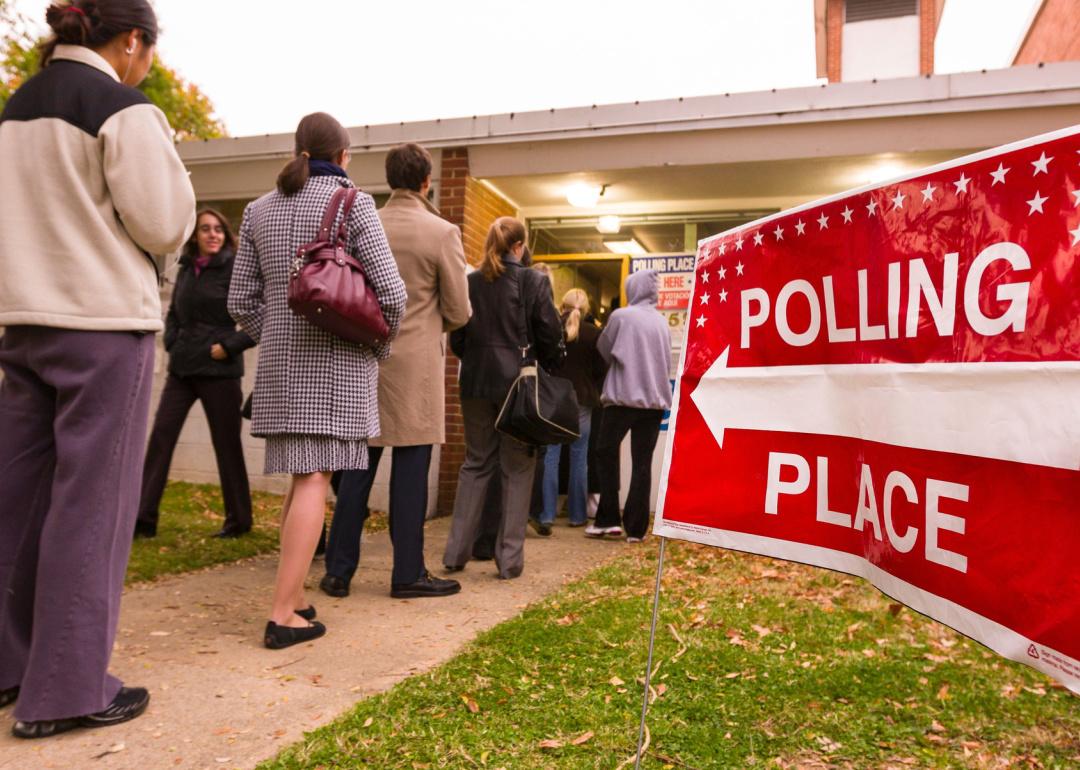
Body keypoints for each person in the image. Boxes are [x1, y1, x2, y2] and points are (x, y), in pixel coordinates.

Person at [0, 0, 195, 738]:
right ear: (132, 41)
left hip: (22, 321)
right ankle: (66, 689)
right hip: (103, 325)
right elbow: (163, 221)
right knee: (93, 508)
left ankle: (7, 665)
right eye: (149, 50)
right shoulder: (123, 107)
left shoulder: (16, 109)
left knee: (13, 505)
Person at [228, 112, 406, 649]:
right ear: (344, 155)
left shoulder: (258, 210)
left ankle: (295, 592)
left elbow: (240, 301)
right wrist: (377, 344)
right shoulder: (355, 204)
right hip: (335, 367)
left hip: (281, 371)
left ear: (299, 149)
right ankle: (283, 614)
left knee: (300, 478)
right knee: (314, 480)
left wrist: (279, 334)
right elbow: (392, 295)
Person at [320, 143, 471, 600]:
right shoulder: (442, 232)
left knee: (356, 471)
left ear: (389, 178)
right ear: (427, 181)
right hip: (417, 368)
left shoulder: (362, 225)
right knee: (410, 474)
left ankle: (338, 571)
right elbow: (461, 309)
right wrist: (430, 322)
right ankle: (407, 573)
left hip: (364, 359)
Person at [442, 218, 563, 579]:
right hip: (518, 386)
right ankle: (508, 560)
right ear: (519, 246)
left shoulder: (471, 282)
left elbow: (458, 339)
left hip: (476, 384)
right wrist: (546, 365)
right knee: (517, 469)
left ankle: (455, 553)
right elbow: (550, 334)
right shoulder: (534, 281)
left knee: (475, 464)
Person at [135, 209, 255, 540]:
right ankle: (144, 518)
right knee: (161, 437)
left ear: (225, 234)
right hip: (183, 368)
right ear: (195, 236)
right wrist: (172, 339)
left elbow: (262, 314)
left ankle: (239, 520)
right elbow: (174, 312)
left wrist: (230, 346)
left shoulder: (235, 267)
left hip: (220, 370)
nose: (212, 234)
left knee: (226, 444)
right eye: (205, 229)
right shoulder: (187, 267)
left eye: (218, 229)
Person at [586, 270, 672, 542]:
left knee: (605, 452)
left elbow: (603, 347)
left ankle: (608, 518)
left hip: (623, 397)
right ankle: (636, 528)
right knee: (642, 463)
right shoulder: (661, 322)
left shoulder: (621, 316)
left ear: (631, 288)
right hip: (654, 401)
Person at [533, 289, 606, 535]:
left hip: (555, 399)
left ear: (562, 305)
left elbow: (543, 362)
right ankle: (577, 516)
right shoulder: (594, 333)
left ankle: (546, 514)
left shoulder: (552, 330)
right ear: (586, 308)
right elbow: (601, 368)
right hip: (583, 400)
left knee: (551, 457)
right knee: (579, 458)